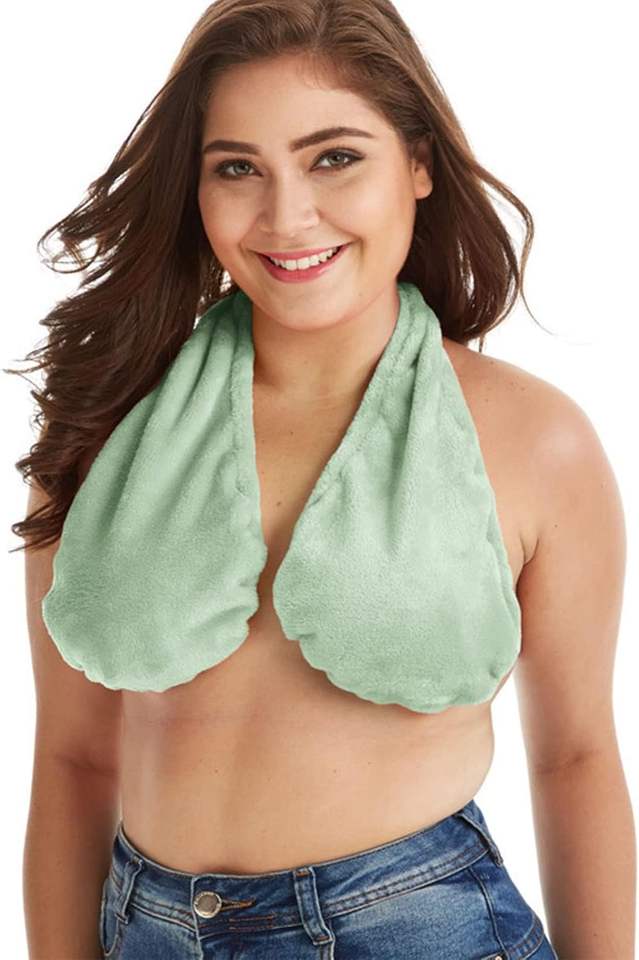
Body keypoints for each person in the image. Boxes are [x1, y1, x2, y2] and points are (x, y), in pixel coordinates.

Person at [14, 1, 634, 958]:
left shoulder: (533, 440)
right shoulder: (106, 424)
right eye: (237, 168)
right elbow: (72, 757)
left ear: (417, 163)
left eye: (334, 157)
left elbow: (573, 757)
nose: (287, 216)